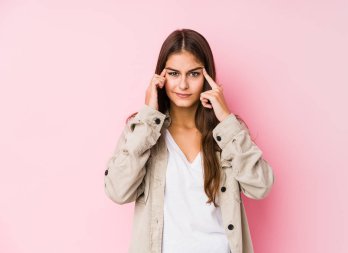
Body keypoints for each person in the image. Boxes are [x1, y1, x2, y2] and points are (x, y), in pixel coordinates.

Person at [104, 28, 275, 253]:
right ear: (160, 77)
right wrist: (147, 116)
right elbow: (118, 191)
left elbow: (261, 187)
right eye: (174, 74)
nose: (183, 85)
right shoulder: (144, 131)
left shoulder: (227, 133)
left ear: (208, 77)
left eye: (193, 74)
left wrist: (226, 119)